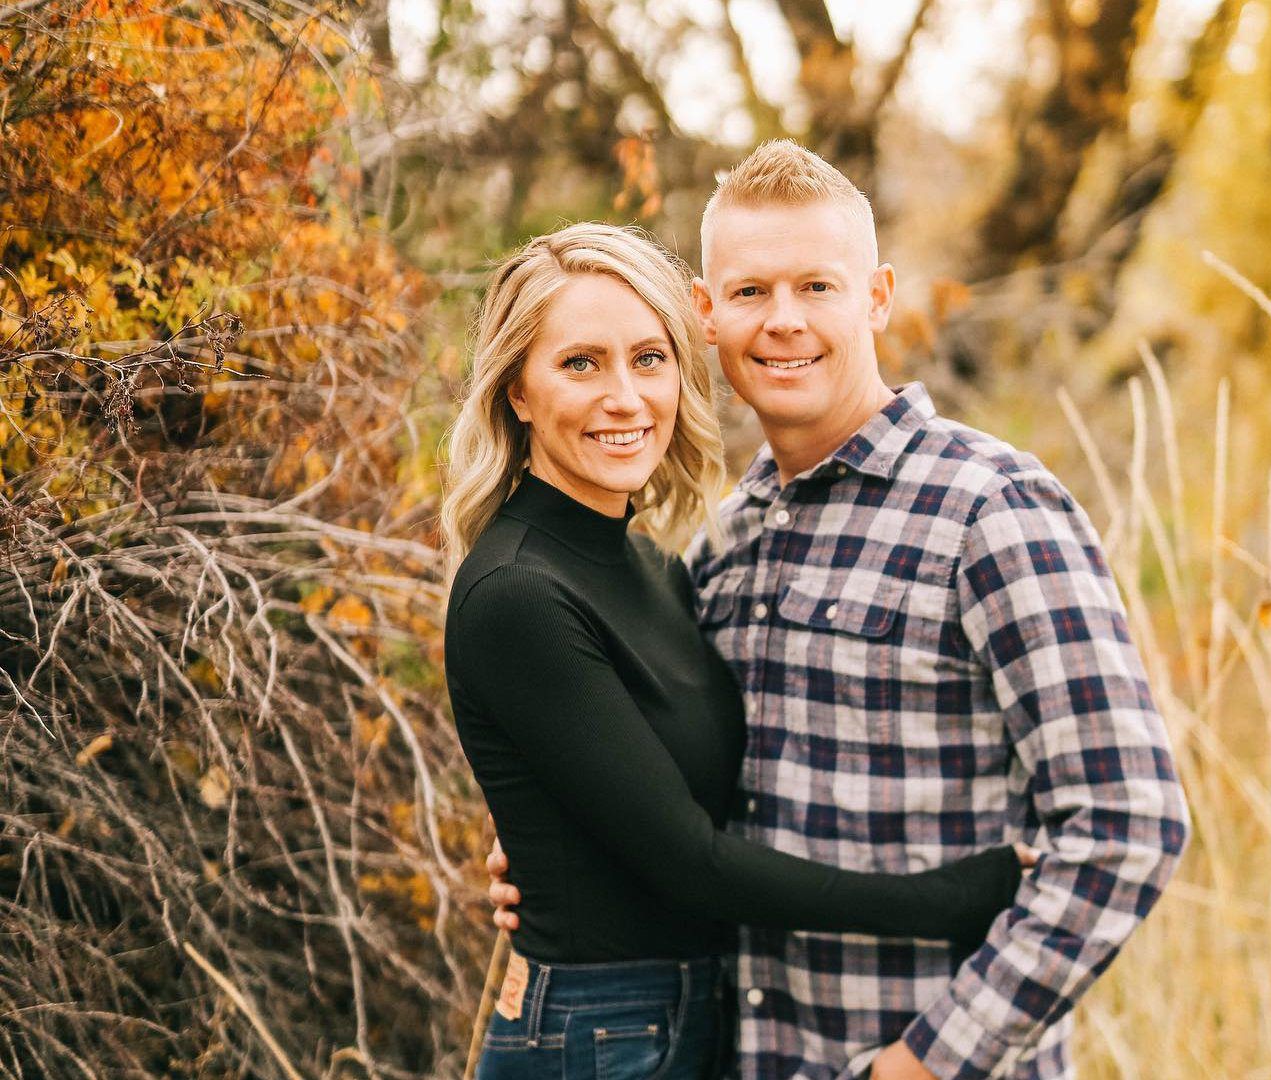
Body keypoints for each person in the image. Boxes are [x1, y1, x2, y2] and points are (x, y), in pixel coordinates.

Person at [491, 144, 1191, 1080]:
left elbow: (1127, 821)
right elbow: (679, 792)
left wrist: (927, 1062)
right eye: (748, 293)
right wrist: (562, 842)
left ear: (877, 296)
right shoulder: (727, 542)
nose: (783, 322)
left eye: (816, 286)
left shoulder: (990, 510)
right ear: (706, 314)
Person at [441, 222, 1037, 1080]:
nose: (624, 396)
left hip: (684, 1016)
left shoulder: (650, 563)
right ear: (517, 393)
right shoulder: (519, 591)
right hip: (594, 1034)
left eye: (648, 358)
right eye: (580, 364)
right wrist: (950, 900)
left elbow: (658, 797)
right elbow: (689, 861)